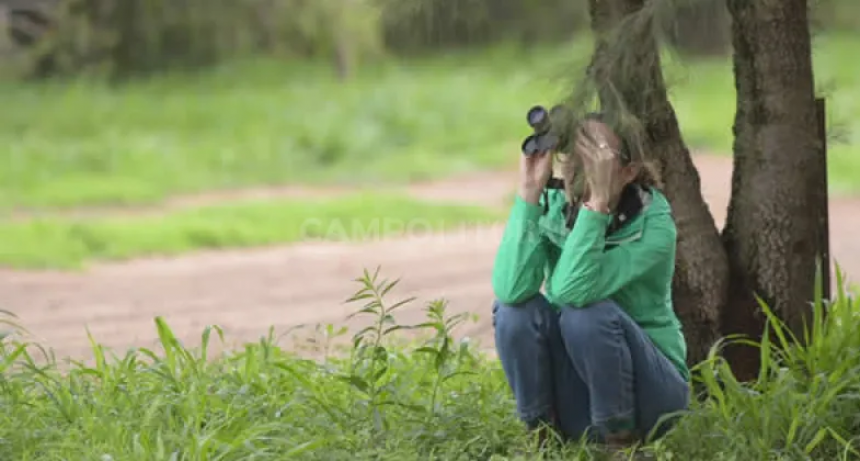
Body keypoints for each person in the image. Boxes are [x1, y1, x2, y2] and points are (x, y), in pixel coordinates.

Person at [491, 113, 690, 449]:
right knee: (514, 312)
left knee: (586, 314)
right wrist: (528, 195)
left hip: (652, 396)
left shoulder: (654, 225)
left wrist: (596, 205)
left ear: (628, 172)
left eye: (595, 154)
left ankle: (621, 443)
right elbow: (511, 289)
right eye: (576, 152)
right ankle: (543, 436)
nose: (581, 165)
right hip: (582, 392)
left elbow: (573, 292)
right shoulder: (554, 204)